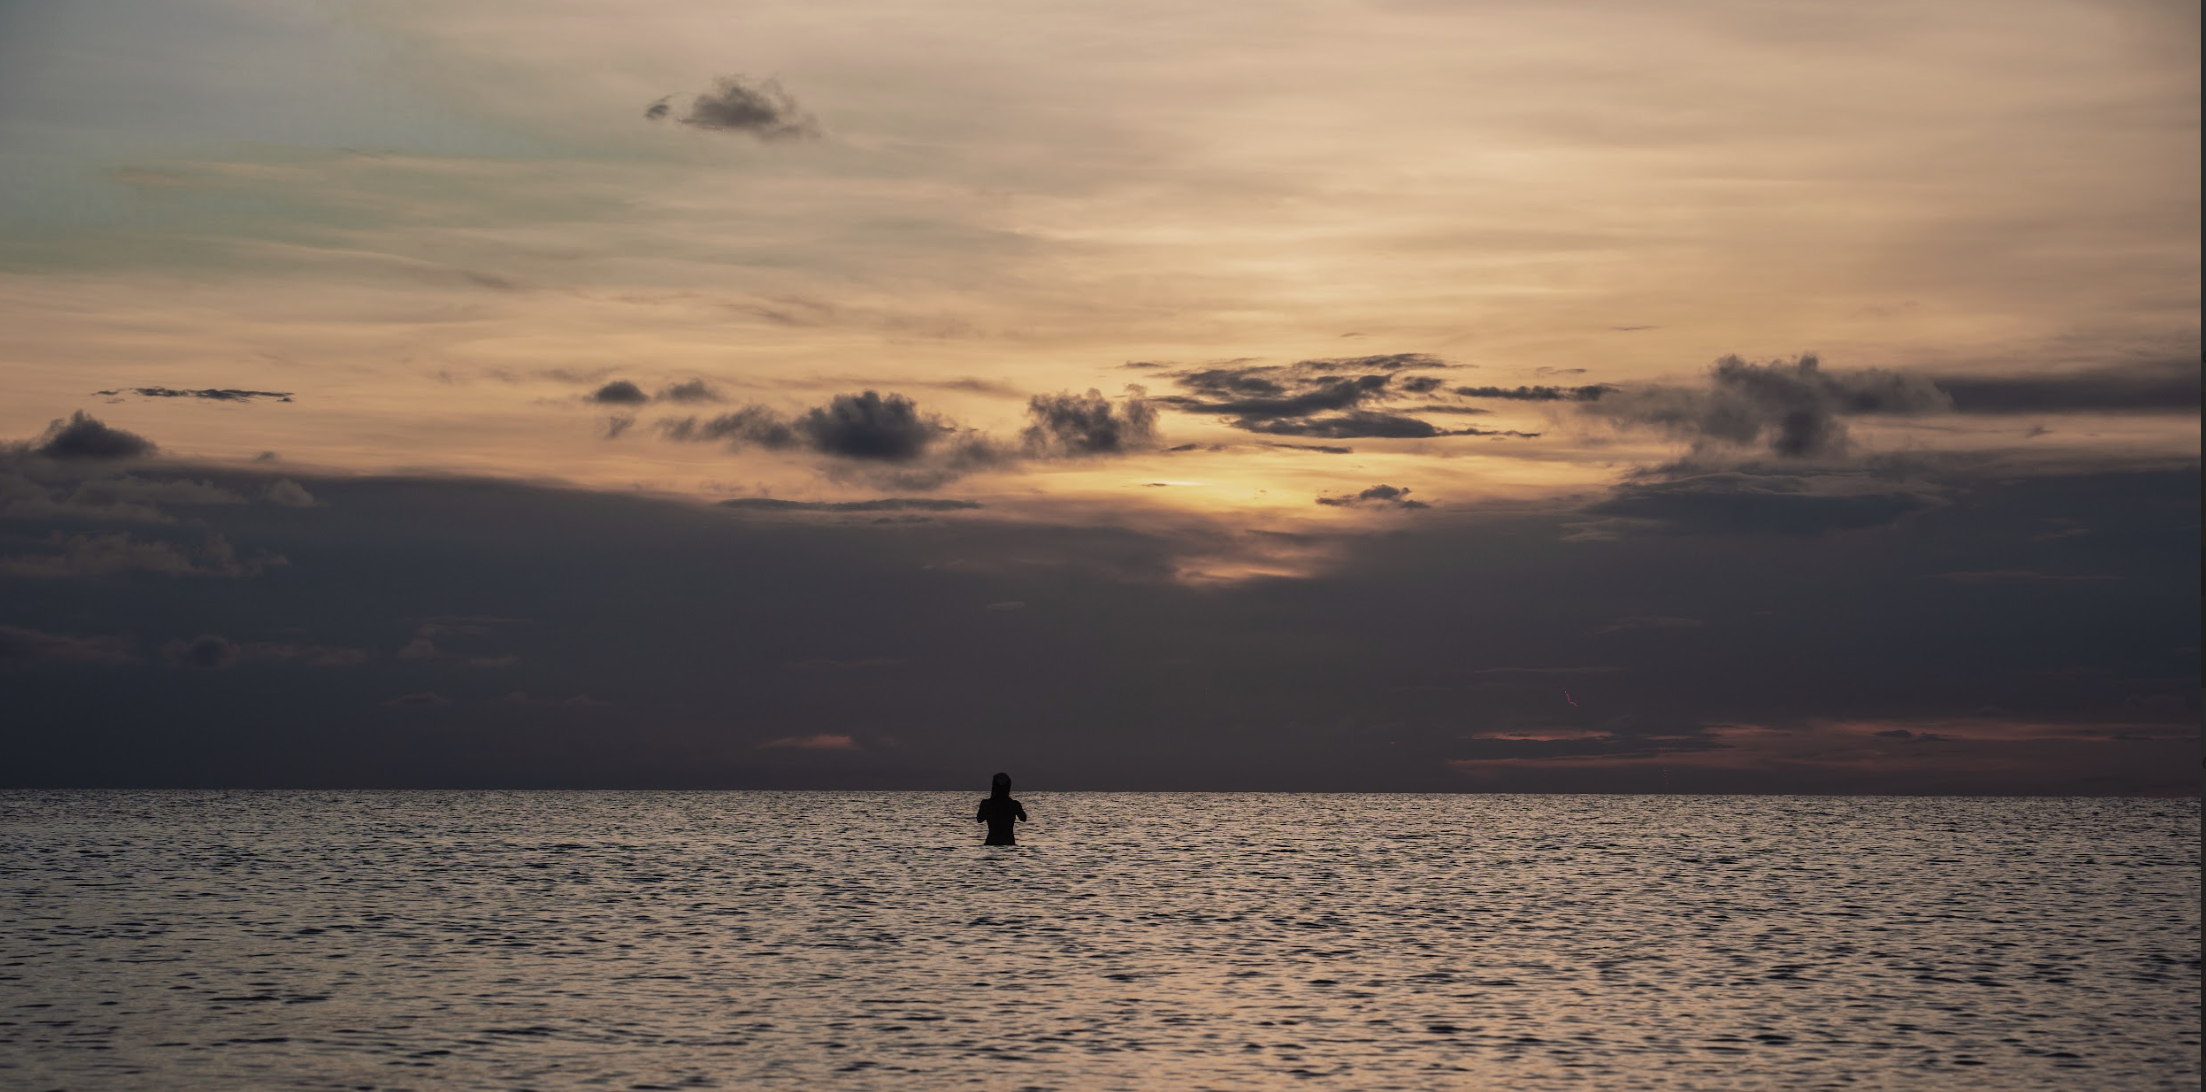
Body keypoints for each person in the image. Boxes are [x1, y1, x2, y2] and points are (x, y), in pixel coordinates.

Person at [975, 772, 1027, 846]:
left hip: (991, 841)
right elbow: (1023, 818)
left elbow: (979, 819)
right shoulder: (1014, 804)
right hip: (1009, 842)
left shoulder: (987, 803)